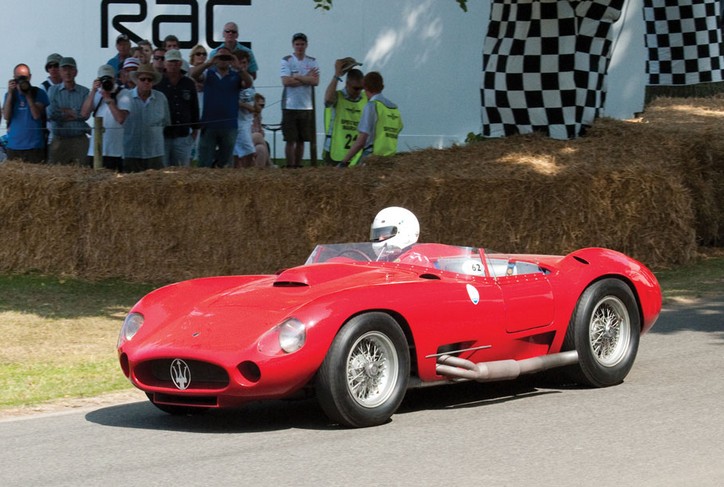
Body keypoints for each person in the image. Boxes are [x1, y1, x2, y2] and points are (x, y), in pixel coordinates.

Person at [190, 46, 252, 168]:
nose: (223, 60)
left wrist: (238, 67)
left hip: (229, 125)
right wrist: (209, 63)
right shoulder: (208, 74)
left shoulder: (236, 76)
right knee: (204, 162)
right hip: (209, 124)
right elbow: (194, 75)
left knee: (225, 162)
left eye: (226, 57)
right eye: (220, 57)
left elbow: (248, 83)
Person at [113, 63, 169, 172]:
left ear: (153, 82)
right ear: (136, 80)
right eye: (143, 79)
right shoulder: (126, 97)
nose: (146, 82)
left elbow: (166, 122)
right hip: (131, 152)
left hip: (155, 153)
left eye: (149, 79)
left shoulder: (161, 98)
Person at [339, 71, 403, 167]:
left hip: (372, 158)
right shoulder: (394, 108)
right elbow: (399, 128)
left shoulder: (371, 106)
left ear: (365, 87)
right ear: (382, 87)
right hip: (389, 159)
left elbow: (361, 141)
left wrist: (343, 162)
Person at [280, 32, 319, 168]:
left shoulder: (312, 61)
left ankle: (298, 165)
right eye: (297, 44)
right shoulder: (287, 60)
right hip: (290, 105)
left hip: (306, 105)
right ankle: (290, 166)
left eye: (302, 44)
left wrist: (297, 77)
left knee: (302, 140)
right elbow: (286, 81)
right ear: (293, 45)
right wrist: (306, 78)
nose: (300, 47)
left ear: (306, 45)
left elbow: (315, 81)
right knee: (290, 139)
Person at [156, 49, 200, 167]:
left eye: (176, 62)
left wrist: (195, 130)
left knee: (182, 171)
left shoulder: (188, 83)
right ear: (165, 63)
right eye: (170, 62)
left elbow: (194, 106)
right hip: (163, 135)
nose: (173, 65)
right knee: (162, 170)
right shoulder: (158, 83)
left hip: (183, 135)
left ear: (180, 63)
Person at [2, 63, 50, 163]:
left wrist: (28, 95)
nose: (22, 81)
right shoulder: (10, 95)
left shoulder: (38, 93)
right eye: (19, 78)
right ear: (14, 78)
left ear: (30, 77)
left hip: (34, 147)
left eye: (24, 78)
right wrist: (10, 94)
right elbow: (6, 116)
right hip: (14, 146)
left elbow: (36, 115)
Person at [47, 57, 90, 165]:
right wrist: (75, 113)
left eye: (70, 69)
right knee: (56, 173)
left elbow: (85, 115)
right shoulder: (53, 90)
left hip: (79, 141)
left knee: (81, 172)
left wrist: (62, 112)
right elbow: (51, 113)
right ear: (60, 72)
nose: (67, 72)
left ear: (76, 72)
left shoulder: (84, 91)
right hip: (59, 140)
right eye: (64, 69)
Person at [81, 64, 125, 171]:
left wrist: (108, 98)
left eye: (109, 79)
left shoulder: (123, 93)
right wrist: (93, 91)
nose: (106, 82)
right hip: (95, 151)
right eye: (103, 79)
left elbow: (120, 119)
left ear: (114, 79)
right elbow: (84, 114)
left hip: (115, 151)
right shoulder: (96, 94)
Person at [323, 58, 366, 166]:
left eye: (361, 88)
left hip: (356, 154)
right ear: (347, 84)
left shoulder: (365, 98)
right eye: (355, 88)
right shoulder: (338, 96)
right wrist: (336, 75)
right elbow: (328, 100)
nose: (358, 91)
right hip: (335, 151)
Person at [233, 50, 256, 168]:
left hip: (248, 120)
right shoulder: (233, 78)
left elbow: (252, 98)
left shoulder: (249, 78)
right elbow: (231, 99)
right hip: (238, 120)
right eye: (240, 63)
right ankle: (246, 174)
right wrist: (247, 107)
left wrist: (255, 108)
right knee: (248, 151)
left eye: (245, 63)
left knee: (240, 152)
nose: (243, 65)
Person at [251, 93, 272, 168]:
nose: (262, 108)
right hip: (244, 141)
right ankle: (269, 164)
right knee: (258, 136)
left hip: (254, 142)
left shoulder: (258, 116)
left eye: (263, 105)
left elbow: (261, 131)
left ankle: (259, 171)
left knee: (261, 148)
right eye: (260, 105)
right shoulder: (245, 115)